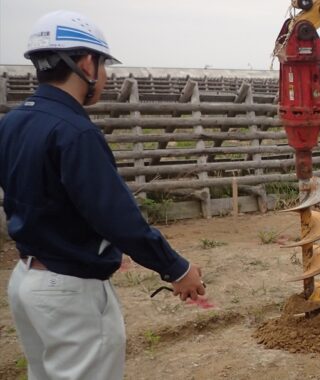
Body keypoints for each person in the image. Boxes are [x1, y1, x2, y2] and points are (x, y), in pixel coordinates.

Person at [0, 10, 207, 379]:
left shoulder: (14, 122)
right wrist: (176, 268)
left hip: (26, 281)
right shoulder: (75, 133)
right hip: (69, 291)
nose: (106, 78)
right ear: (85, 63)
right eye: (104, 65)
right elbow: (116, 218)